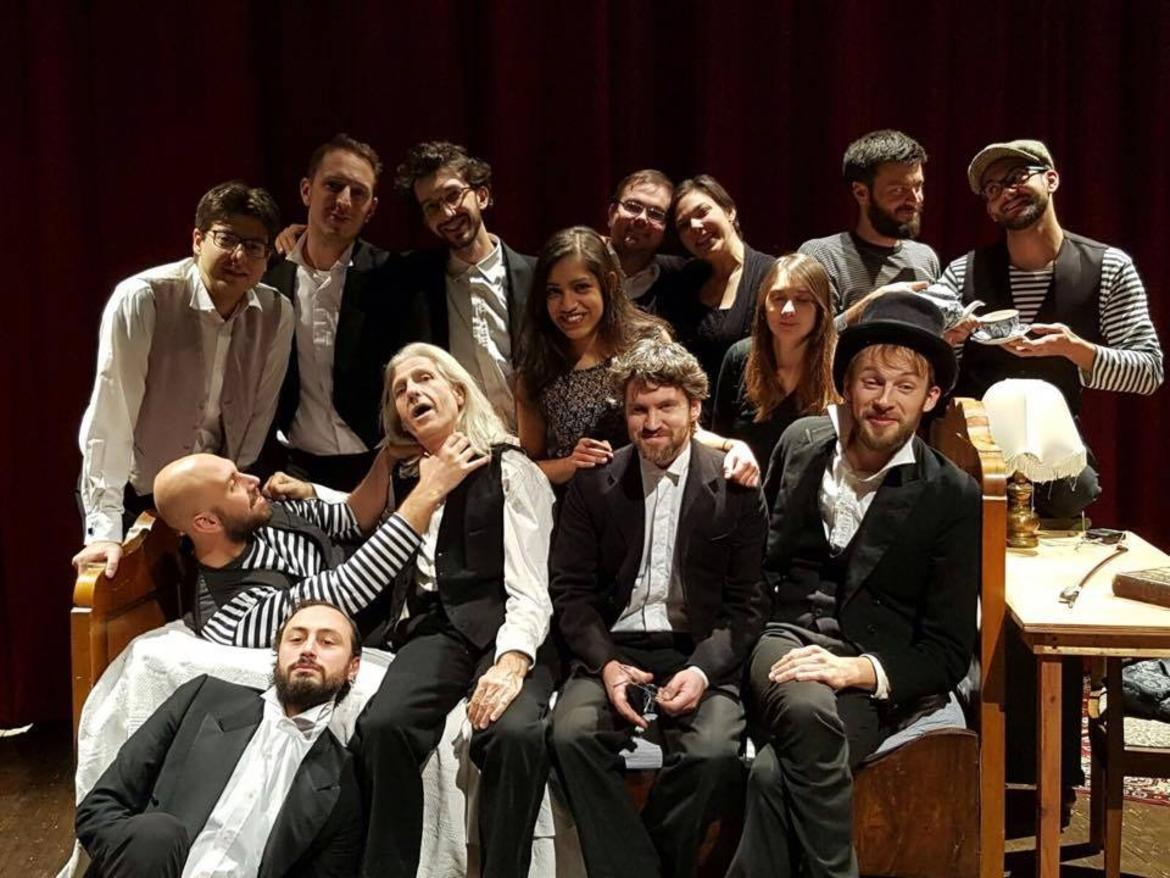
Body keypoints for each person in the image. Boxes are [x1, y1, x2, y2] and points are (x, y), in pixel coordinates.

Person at [727, 292, 980, 878]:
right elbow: (761, 572)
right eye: (871, 381)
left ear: (931, 397)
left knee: (772, 776)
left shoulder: (951, 495)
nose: (885, 400)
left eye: (905, 386)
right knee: (803, 698)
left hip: (868, 675)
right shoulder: (801, 443)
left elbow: (947, 651)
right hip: (784, 639)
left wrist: (855, 671)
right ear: (846, 384)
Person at [548, 338, 769, 878]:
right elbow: (571, 590)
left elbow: (748, 604)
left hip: (698, 651)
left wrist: (703, 670)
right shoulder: (594, 483)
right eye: (638, 409)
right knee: (569, 736)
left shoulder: (737, 487)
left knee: (713, 752)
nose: (651, 423)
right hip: (614, 649)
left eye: (666, 406)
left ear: (694, 409)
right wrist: (606, 664)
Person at [351, 342, 557, 878]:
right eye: (400, 390)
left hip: (509, 624)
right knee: (384, 725)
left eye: (424, 379)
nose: (412, 393)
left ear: (458, 393)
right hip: (438, 627)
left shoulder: (510, 468)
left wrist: (512, 661)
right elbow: (352, 517)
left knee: (513, 735)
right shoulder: (405, 479)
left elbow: (531, 588)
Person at [931, 138, 1163, 519]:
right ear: (989, 208)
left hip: (1055, 446)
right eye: (993, 189)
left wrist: (1076, 349)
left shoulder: (1108, 267)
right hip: (973, 446)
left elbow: (1149, 372)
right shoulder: (962, 273)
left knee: (1074, 490)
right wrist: (948, 340)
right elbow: (925, 366)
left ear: (1051, 179)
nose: (1007, 193)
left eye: (1017, 177)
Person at [74, 182, 294, 578]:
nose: (239, 257)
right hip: (135, 493)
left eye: (253, 246)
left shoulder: (277, 313)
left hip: (215, 500)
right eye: (226, 239)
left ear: (266, 257)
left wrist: (229, 505)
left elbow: (257, 418)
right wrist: (104, 530)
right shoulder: (144, 299)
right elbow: (112, 417)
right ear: (197, 240)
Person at [75, 600, 367, 878]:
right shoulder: (202, 699)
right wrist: (141, 856)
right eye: (296, 639)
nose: (308, 649)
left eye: (327, 642)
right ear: (277, 653)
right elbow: (99, 807)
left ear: (352, 667)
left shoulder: (343, 782)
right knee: (158, 835)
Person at [151, 431, 483, 647]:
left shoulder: (263, 515)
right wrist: (430, 488)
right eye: (232, 484)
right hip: (394, 625)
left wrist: (387, 457)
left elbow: (351, 519)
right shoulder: (228, 614)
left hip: (414, 584)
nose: (252, 480)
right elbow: (344, 590)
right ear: (207, 522)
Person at [263, 133, 406, 491]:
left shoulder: (395, 276)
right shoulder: (268, 275)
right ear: (306, 190)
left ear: (371, 209)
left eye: (358, 193)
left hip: (378, 464)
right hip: (293, 465)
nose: (344, 201)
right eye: (333, 185)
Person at [392, 141, 534, 429]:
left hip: (534, 443)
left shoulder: (537, 275)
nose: (447, 213)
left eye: (453, 195)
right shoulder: (413, 281)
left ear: (482, 195)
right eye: (432, 207)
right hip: (460, 444)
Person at [516, 225, 671, 485]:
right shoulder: (536, 369)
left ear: (608, 283)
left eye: (581, 287)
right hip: (577, 505)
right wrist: (570, 465)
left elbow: (685, 428)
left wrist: (729, 446)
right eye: (554, 292)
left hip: (655, 496)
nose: (568, 305)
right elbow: (525, 468)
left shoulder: (649, 341)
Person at [655, 174, 774, 421]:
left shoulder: (770, 275)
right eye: (684, 225)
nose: (695, 226)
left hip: (752, 420)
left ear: (730, 211)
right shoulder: (684, 279)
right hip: (690, 422)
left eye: (703, 212)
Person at [798, 129, 943, 330]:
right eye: (898, 190)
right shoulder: (823, 256)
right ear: (861, 193)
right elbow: (809, 340)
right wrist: (875, 303)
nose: (914, 199)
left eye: (918, 187)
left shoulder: (925, 257)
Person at [713, 253, 839, 473]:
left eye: (802, 299)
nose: (788, 310)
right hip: (747, 489)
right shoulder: (739, 356)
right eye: (778, 298)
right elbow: (718, 440)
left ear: (821, 308)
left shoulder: (840, 364)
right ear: (764, 303)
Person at [604, 168, 686, 310]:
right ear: (612, 213)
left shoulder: (681, 278)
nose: (642, 219)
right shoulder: (579, 262)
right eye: (633, 206)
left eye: (656, 214)